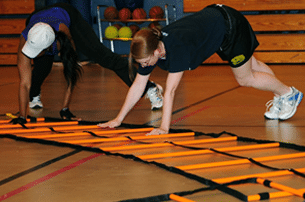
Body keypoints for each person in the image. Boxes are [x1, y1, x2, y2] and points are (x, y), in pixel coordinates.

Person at [98, 4, 303, 135]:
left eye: (144, 62)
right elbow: (138, 84)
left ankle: (288, 94)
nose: (143, 66)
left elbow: (170, 91)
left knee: (245, 77)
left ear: (156, 51)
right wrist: (118, 119)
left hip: (230, 27)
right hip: (216, 20)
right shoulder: (152, 46)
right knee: (254, 65)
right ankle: (284, 96)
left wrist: (163, 127)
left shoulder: (175, 49)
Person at [11, 3, 163, 124]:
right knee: (41, 67)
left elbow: (71, 70)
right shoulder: (25, 39)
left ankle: (148, 87)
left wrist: (65, 108)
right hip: (38, 20)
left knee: (104, 57)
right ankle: (34, 95)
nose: (33, 54)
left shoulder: (64, 35)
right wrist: (22, 117)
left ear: (51, 46)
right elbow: (24, 83)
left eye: (38, 51)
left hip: (68, 17)